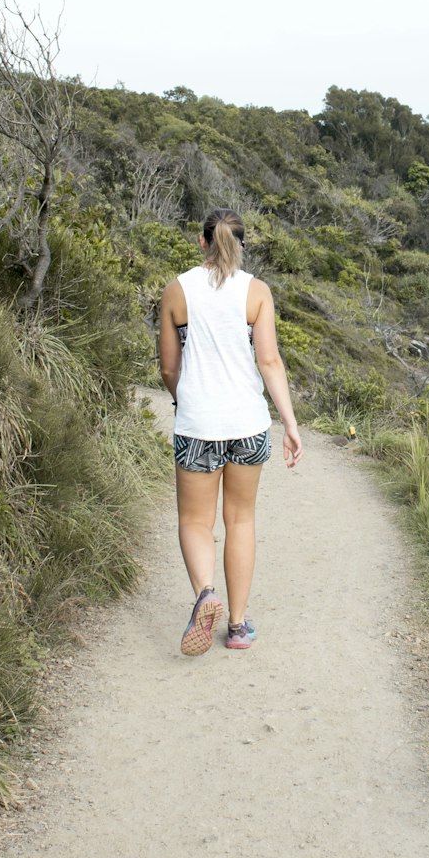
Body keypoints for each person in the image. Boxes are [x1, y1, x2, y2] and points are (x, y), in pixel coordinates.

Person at [158, 208, 302, 656]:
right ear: (241, 244)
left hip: (198, 423)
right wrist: (290, 424)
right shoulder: (256, 292)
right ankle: (237, 626)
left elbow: (168, 367)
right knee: (240, 519)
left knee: (195, 521)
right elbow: (270, 362)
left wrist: (186, 400)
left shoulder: (177, 291)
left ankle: (206, 594)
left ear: (202, 242)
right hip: (248, 424)